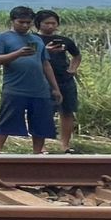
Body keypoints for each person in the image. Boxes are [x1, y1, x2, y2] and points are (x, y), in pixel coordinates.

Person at [0, 6, 63, 153]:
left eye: (28, 22)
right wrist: (17, 54)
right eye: (21, 22)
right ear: (12, 21)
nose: (25, 25)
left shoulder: (36, 39)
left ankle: (37, 153)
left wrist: (55, 88)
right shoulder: (2, 38)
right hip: (15, 87)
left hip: (39, 89)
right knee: (7, 119)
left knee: (40, 123)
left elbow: (45, 63)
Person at [35, 10, 82, 152]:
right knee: (44, 112)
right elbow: (28, 55)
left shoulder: (65, 41)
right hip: (43, 80)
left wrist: (72, 69)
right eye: (46, 23)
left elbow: (77, 55)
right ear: (38, 24)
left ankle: (65, 145)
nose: (50, 26)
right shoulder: (33, 39)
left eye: (53, 23)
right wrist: (45, 50)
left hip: (65, 79)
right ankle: (41, 146)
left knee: (67, 111)